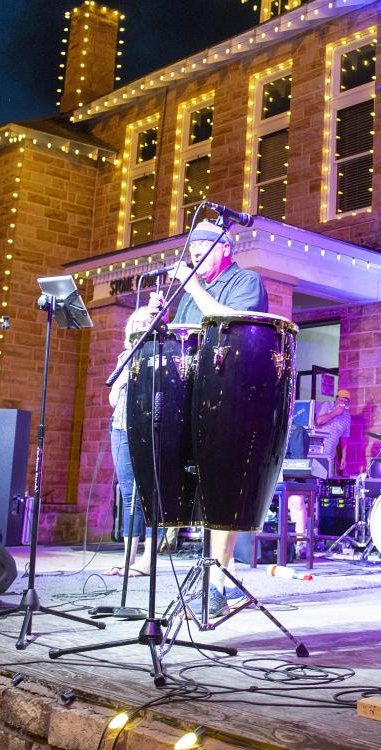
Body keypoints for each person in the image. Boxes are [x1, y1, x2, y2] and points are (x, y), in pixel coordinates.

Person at [149, 220, 267, 621]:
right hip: (190, 393)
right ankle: (222, 579)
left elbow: (232, 326)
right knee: (196, 486)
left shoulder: (245, 281)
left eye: (205, 247)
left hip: (231, 395)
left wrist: (192, 286)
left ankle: (215, 582)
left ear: (226, 249)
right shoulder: (185, 296)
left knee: (223, 488)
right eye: (192, 247)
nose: (196, 252)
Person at [106, 305, 157, 577]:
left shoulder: (159, 354)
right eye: (136, 323)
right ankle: (128, 559)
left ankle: (148, 560)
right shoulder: (124, 357)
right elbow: (113, 400)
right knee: (129, 495)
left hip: (149, 430)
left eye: (146, 322)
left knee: (150, 495)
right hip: (121, 427)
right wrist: (123, 380)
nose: (141, 326)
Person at [286, 388, 353, 537]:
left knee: (322, 490)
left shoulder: (347, 417)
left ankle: (319, 527)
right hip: (314, 452)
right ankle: (304, 527)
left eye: (346, 401)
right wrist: (336, 412)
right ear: (336, 398)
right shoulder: (328, 406)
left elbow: (345, 438)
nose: (343, 403)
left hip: (328, 456)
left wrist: (344, 457)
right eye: (341, 400)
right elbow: (318, 422)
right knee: (307, 487)